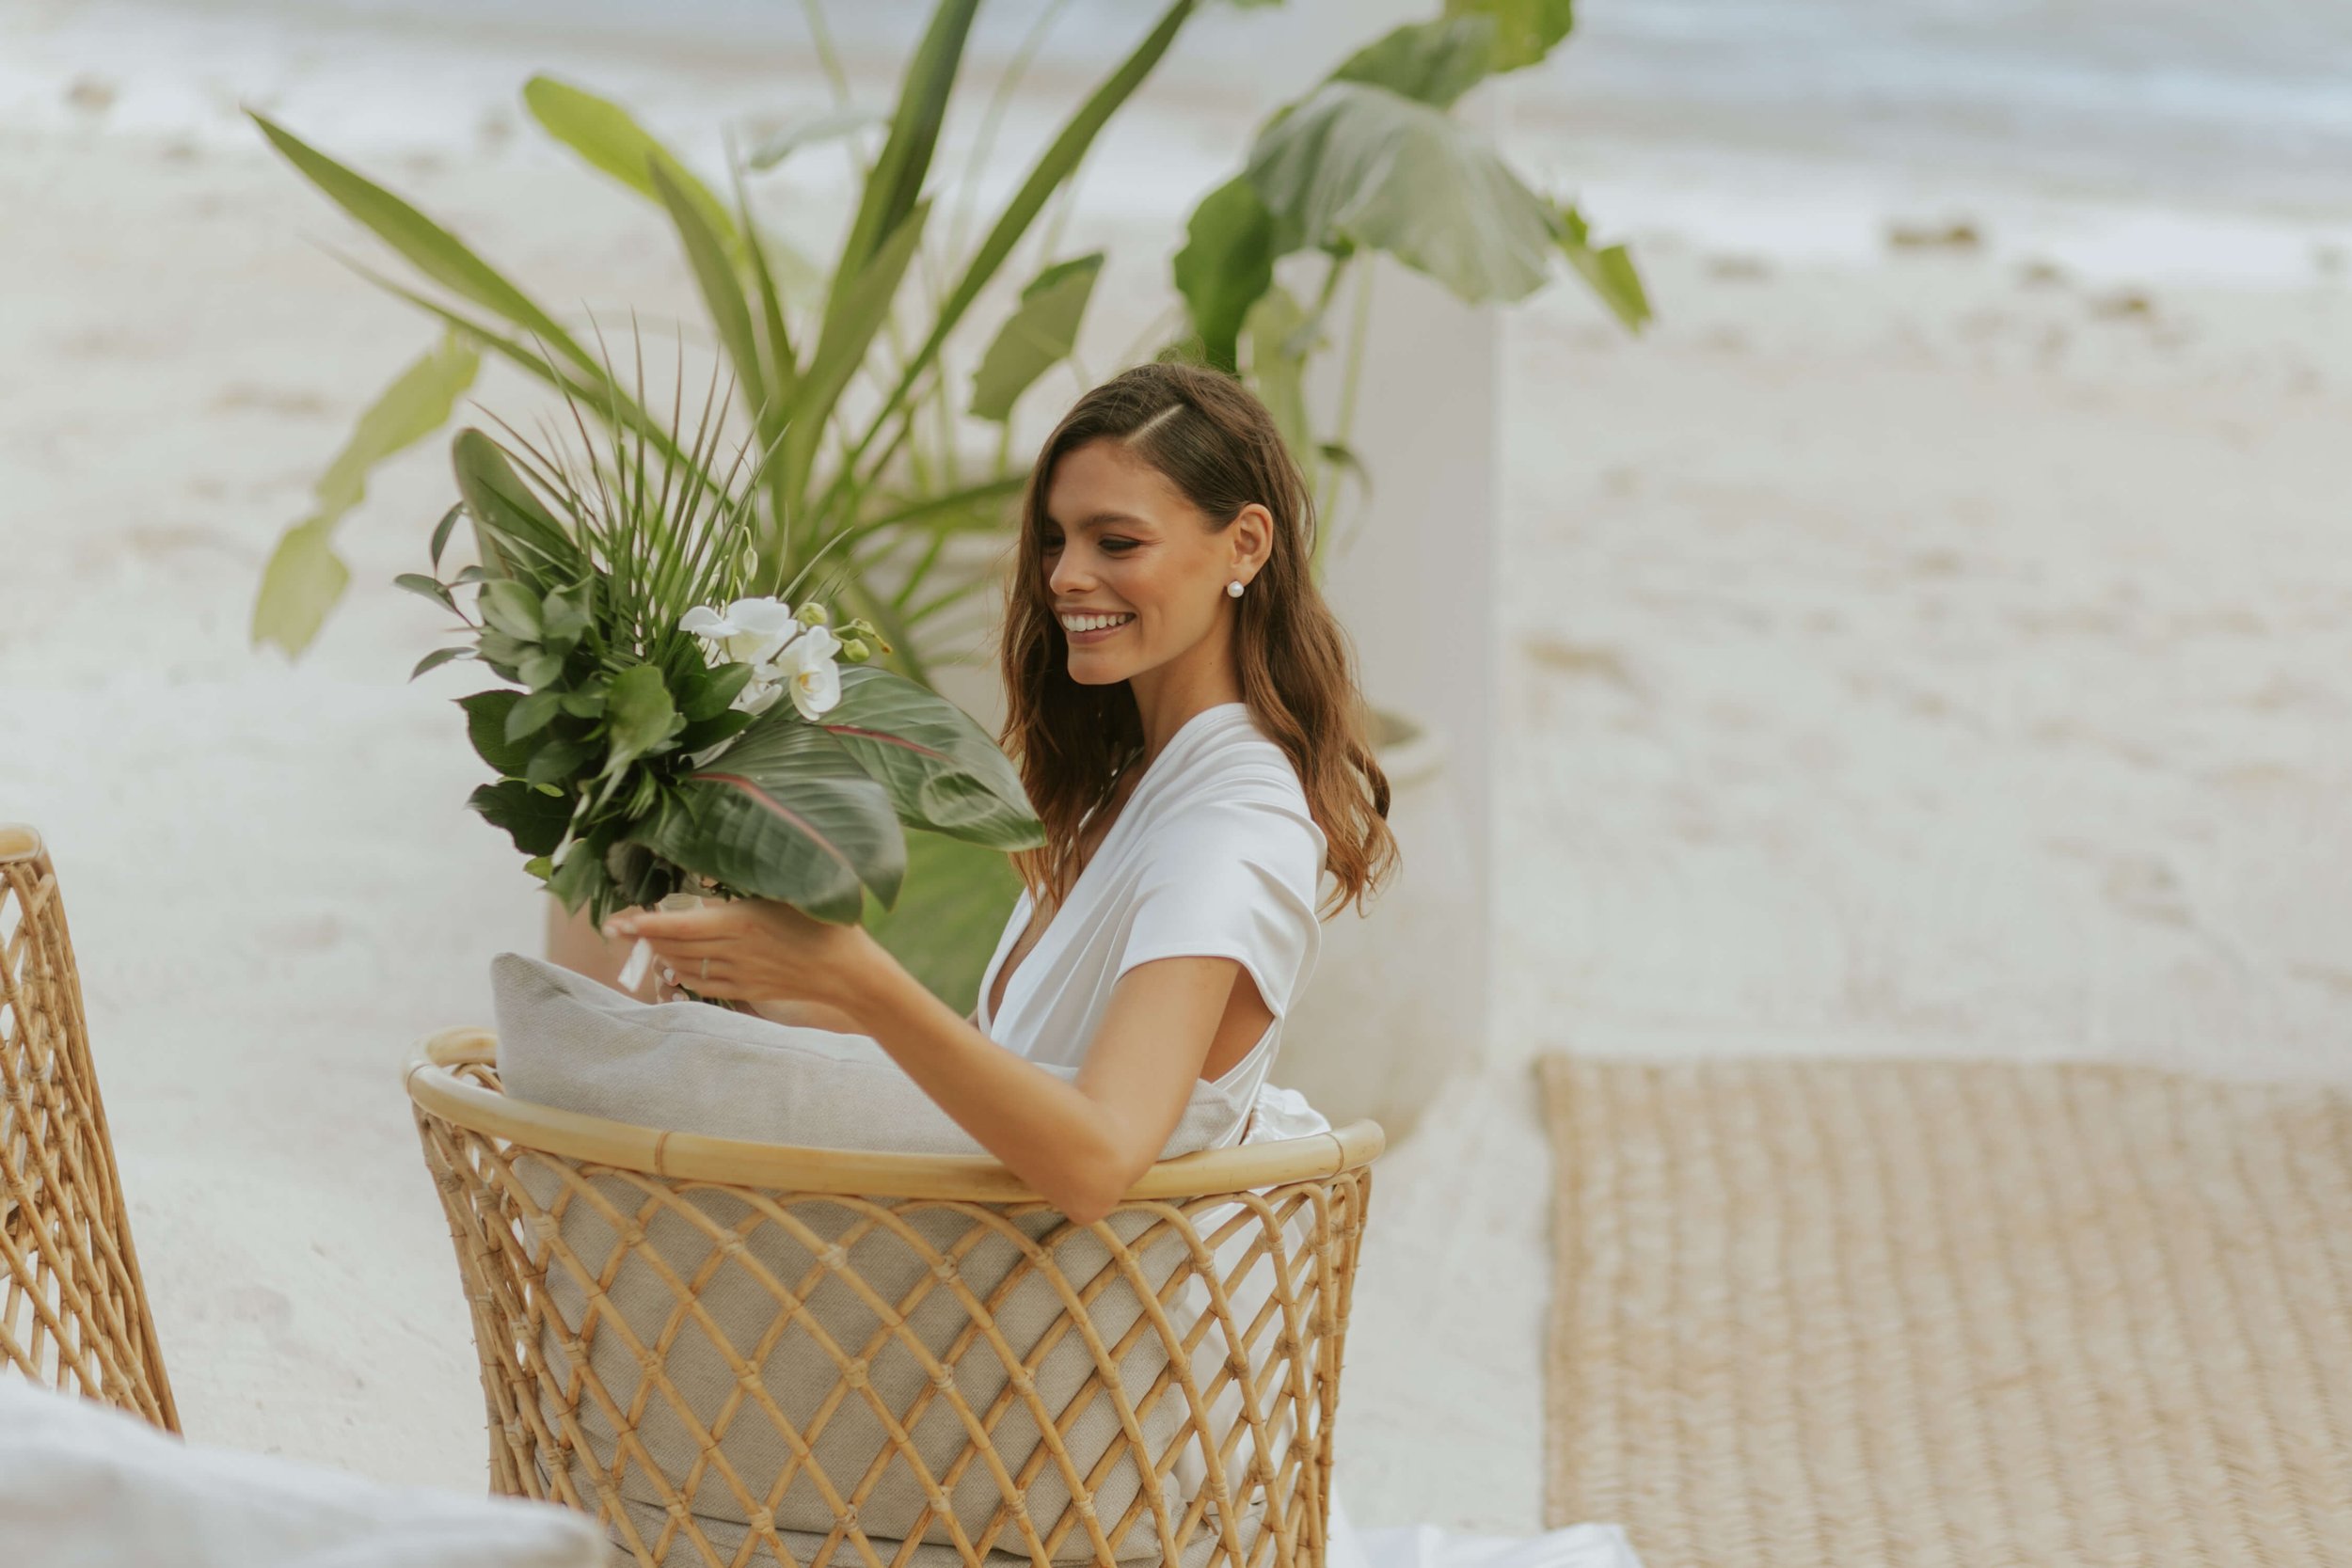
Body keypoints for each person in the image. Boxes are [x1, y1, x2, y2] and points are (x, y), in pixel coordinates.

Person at [605, 363, 1642, 1568]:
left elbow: (1096, 1155)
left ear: (1241, 543)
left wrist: (860, 980)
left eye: (1115, 539)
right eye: (1055, 538)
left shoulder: (1230, 825)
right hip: (1015, 1360)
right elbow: (1022, 1084)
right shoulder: (1123, 793)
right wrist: (790, 990)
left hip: (1091, 1416)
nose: (1063, 577)